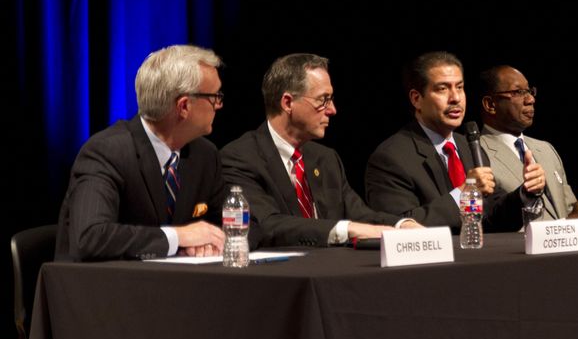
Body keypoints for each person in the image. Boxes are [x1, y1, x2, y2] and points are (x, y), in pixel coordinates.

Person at [221, 54, 419, 247]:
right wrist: (347, 230)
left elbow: (360, 215)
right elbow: (268, 224)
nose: (332, 110)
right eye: (323, 100)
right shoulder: (240, 158)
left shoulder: (326, 158)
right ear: (288, 103)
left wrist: (401, 225)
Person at [55, 45, 227, 261]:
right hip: (105, 288)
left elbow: (243, 223)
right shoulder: (106, 152)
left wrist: (210, 242)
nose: (218, 105)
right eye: (214, 97)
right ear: (183, 106)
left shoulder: (205, 155)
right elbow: (90, 237)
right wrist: (178, 237)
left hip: (175, 285)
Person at [364, 51, 543, 231]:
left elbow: (491, 217)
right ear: (416, 99)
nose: (455, 98)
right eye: (442, 88)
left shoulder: (469, 146)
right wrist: (464, 195)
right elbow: (398, 226)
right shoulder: (390, 158)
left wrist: (526, 193)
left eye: (459, 87)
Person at [478, 64, 578, 226]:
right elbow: (494, 223)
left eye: (529, 91)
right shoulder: (477, 154)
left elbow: (569, 210)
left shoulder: (546, 149)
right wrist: (571, 223)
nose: (530, 99)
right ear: (490, 105)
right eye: (518, 92)